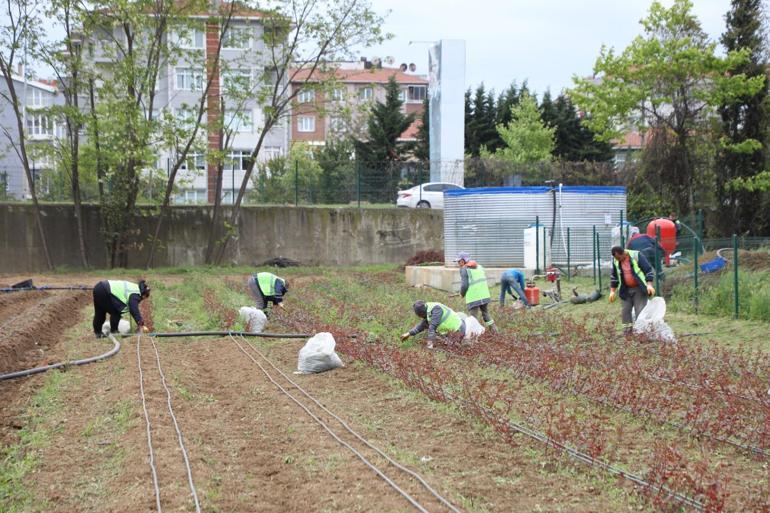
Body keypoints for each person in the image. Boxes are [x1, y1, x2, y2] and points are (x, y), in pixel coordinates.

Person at [609, 246, 655, 334]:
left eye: (618, 257)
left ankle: (641, 332)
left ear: (623, 253)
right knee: (625, 310)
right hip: (625, 289)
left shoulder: (636, 255)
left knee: (640, 310)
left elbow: (648, 270)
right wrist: (612, 291)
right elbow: (614, 276)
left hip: (639, 288)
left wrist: (649, 285)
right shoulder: (616, 260)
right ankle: (627, 331)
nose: (617, 260)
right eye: (615, 258)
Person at [456, 251, 498, 332]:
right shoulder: (479, 266)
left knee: (473, 319)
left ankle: (473, 336)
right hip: (484, 295)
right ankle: (494, 330)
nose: (458, 263)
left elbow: (464, 285)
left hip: (474, 296)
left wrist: (461, 294)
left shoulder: (464, 269)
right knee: (485, 313)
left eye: (458, 261)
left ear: (462, 261)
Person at [400, 300, 465, 349]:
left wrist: (430, 344)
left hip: (458, 330)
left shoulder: (436, 309)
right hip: (451, 332)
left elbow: (432, 326)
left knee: (448, 348)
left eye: (420, 315)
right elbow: (422, 325)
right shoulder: (428, 310)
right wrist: (409, 333)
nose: (421, 317)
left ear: (422, 313)